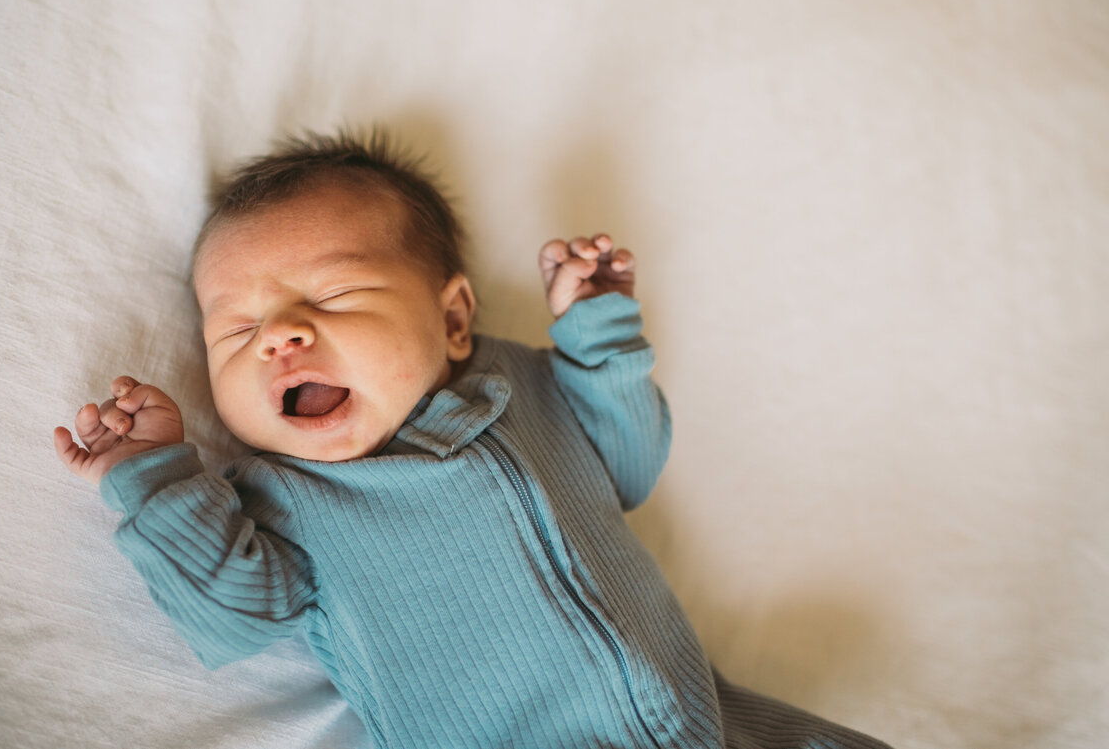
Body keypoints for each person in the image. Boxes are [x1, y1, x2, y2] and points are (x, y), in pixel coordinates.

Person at [54, 132, 891, 748]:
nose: (281, 337)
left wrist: (597, 340)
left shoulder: (522, 384)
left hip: (715, 720)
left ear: (454, 318)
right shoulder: (278, 499)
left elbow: (628, 468)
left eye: (333, 295)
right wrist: (154, 475)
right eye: (236, 331)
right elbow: (230, 620)